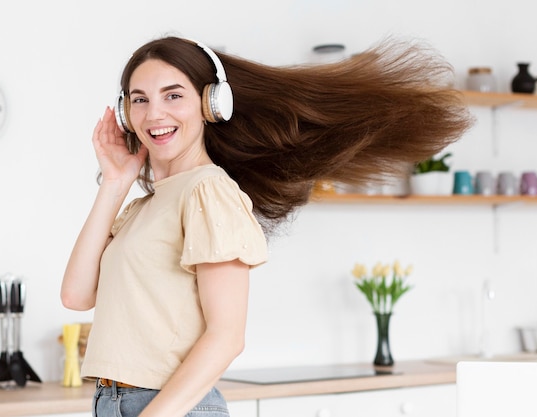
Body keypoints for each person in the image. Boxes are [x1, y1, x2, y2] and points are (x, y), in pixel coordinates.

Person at [61, 36, 471, 417]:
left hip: (167, 406)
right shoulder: (146, 205)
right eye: (140, 100)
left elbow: (226, 337)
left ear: (211, 105)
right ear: (125, 113)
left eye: (173, 95)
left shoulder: (207, 191)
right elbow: (76, 295)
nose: (155, 114)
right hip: (114, 401)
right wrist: (115, 184)